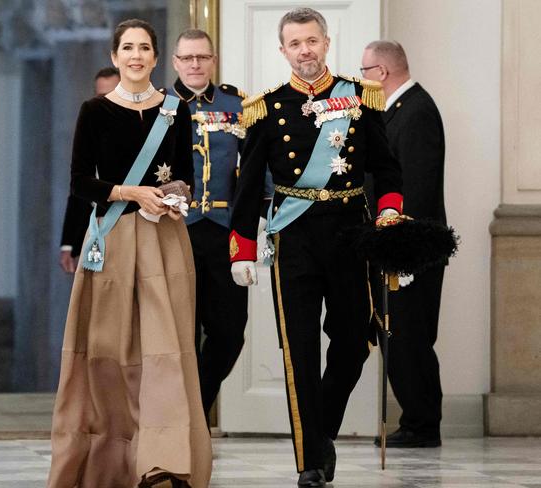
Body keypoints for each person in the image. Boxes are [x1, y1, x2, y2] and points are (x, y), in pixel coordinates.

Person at [229, 8, 402, 487]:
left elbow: (387, 169)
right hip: (295, 237)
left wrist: (390, 214)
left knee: (353, 342)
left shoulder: (361, 98)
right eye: (295, 43)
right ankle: (309, 461)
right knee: (299, 350)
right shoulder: (265, 108)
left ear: (326, 43)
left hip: (351, 232)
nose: (304, 50)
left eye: (312, 41)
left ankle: (321, 430)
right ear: (282, 50)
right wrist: (242, 248)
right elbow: (246, 187)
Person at [47, 19, 212, 488]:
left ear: (157, 58)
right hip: (115, 240)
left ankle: (164, 463)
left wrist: (171, 198)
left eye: (144, 48)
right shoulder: (94, 110)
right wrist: (133, 194)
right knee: (110, 353)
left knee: (169, 353)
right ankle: (116, 462)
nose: (136, 55)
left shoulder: (176, 112)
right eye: (127, 48)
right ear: (116, 56)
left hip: (165, 243)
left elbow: (186, 179)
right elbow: (80, 183)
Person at [170, 29, 269, 421]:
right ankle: (179, 422)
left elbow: (257, 169)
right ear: (175, 62)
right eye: (187, 58)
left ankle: (195, 405)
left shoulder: (237, 104)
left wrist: (264, 219)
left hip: (224, 231)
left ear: (212, 61)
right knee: (179, 334)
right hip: (175, 231)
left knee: (229, 332)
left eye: (202, 58)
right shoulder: (161, 107)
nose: (195, 64)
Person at [361, 40, 446, 448]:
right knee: (399, 335)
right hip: (399, 247)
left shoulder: (415, 112)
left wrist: (400, 251)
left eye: (363, 72)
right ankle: (416, 420)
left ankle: (422, 424)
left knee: (410, 335)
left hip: (410, 250)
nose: (360, 80)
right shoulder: (398, 111)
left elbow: (415, 188)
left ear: (381, 73)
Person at [59, 67, 121, 274]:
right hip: (94, 232)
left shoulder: (140, 127)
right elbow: (78, 191)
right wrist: (68, 244)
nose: (107, 102)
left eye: (113, 94)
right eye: (101, 96)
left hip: (128, 227)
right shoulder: (89, 130)